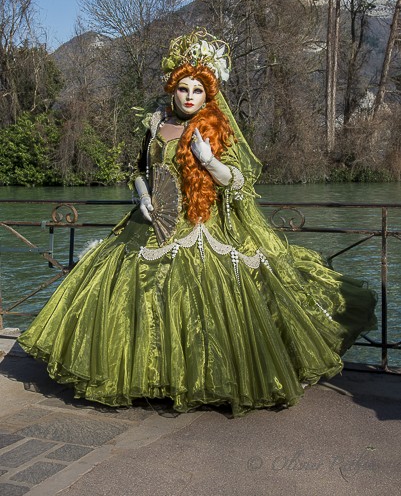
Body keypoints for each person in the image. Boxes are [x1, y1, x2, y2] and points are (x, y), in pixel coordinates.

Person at [18, 29, 377, 418]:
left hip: (207, 225)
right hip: (155, 224)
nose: (189, 97)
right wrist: (142, 195)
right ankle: (156, 378)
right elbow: (140, 170)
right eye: (183, 89)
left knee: (206, 305)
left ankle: (215, 379)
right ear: (172, 90)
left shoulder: (218, 129)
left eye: (198, 91)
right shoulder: (156, 124)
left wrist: (208, 159)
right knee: (143, 300)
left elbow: (239, 181)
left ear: (208, 95)